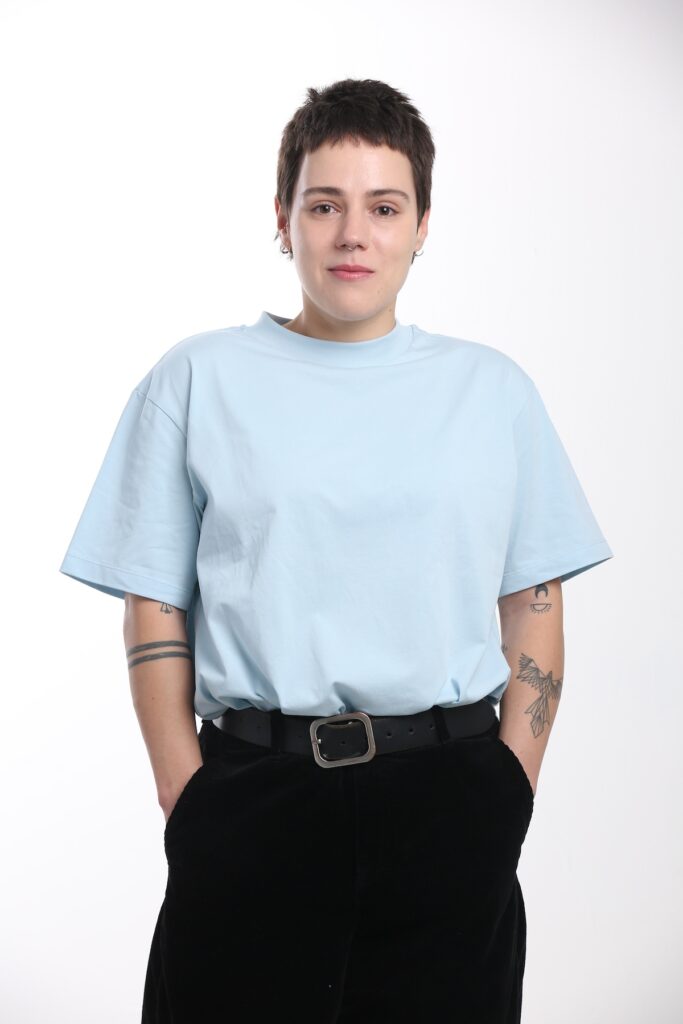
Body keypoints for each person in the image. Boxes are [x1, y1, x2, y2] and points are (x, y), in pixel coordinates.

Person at [59, 78, 614, 1023]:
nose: (353, 233)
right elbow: (154, 601)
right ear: (282, 219)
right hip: (252, 798)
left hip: (451, 804)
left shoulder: (492, 392)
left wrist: (507, 787)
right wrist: (187, 796)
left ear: (422, 225)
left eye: (383, 207)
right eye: (324, 205)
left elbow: (534, 599)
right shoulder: (198, 378)